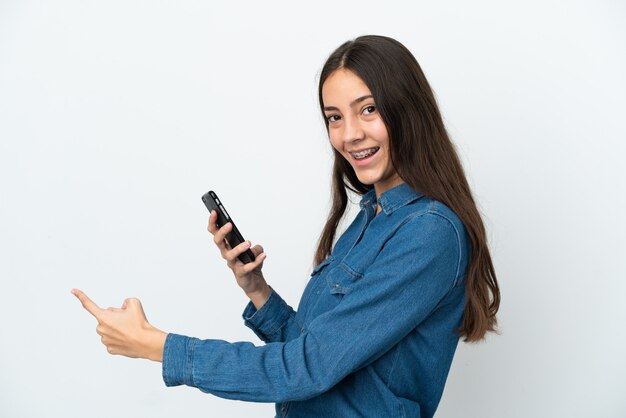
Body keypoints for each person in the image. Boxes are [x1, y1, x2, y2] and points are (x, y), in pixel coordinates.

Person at [72, 35, 500, 418]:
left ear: (408, 109)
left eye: (367, 110)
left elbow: (305, 369)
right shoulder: (371, 216)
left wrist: (156, 345)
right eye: (334, 117)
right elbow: (314, 354)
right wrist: (257, 290)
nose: (349, 134)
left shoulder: (429, 233)